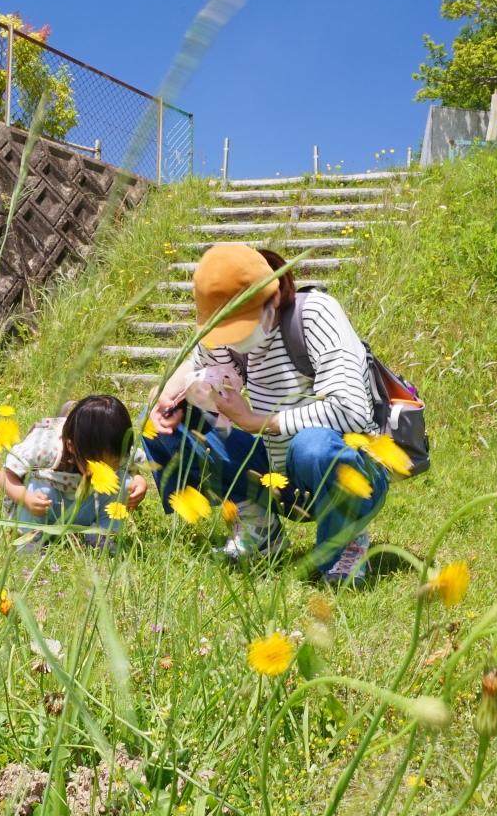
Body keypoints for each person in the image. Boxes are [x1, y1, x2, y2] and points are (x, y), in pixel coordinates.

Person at [145, 243, 389, 584]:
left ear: (272, 299)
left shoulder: (315, 315)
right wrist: (165, 401)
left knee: (313, 446)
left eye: (239, 328)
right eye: (222, 331)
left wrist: (257, 422)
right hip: (277, 473)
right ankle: (259, 533)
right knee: (165, 424)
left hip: (348, 469)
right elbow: (194, 367)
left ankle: (343, 545)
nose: (233, 340)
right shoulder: (221, 342)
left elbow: (352, 411)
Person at [0, 395, 150, 546]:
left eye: (115, 463)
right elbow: (4, 475)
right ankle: (30, 540)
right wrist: (26, 498)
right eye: (97, 466)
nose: (107, 471)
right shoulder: (46, 448)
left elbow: (132, 468)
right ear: (71, 447)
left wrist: (139, 481)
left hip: (85, 508)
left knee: (124, 484)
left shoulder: (115, 448)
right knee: (38, 488)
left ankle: (100, 535)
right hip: (47, 508)